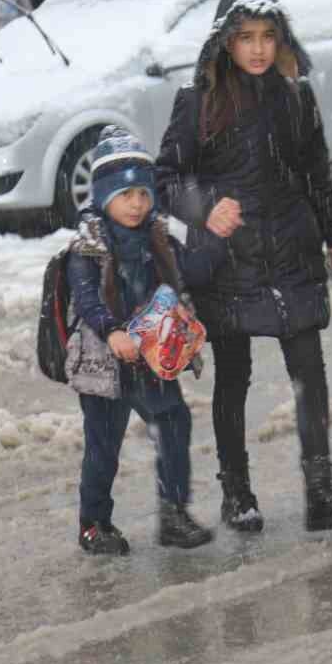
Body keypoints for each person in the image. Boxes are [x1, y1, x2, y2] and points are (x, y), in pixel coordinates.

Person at [155, 0, 332, 533]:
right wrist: (205, 208)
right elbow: (165, 180)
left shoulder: (296, 97)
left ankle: (320, 492)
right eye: (246, 36)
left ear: (281, 39)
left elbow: (318, 177)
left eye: (267, 36)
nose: (257, 49)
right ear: (226, 40)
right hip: (228, 261)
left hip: (291, 252)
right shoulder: (198, 102)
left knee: (309, 373)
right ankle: (238, 493)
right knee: (233, 378)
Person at [64, 127, 229, 555]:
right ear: (104, 197)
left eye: (142, 193)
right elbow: (86, 298)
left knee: (174, 423)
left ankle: (174, 514)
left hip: (150, 357)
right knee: (103, 445)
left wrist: (214, 241)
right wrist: (112, 330)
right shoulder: (88, 245)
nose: (136, 203)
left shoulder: (157, 237)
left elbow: (186, 274)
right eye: (125, 195)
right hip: (105, 365)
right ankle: (94, 524)